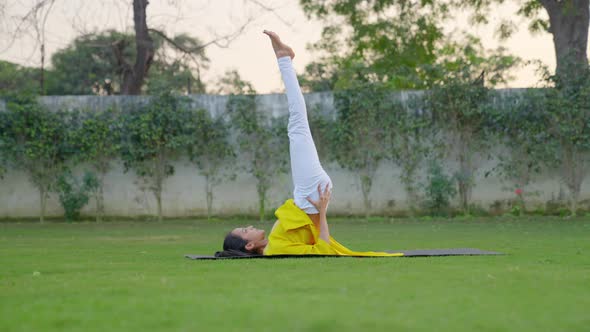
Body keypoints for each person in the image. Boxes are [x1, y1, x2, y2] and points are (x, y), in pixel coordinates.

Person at [215, 31, 401, 258]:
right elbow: (321, 250)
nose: (250, 227)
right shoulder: (275, 248)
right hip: (311, 196)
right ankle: (284, 59)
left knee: (298, 126)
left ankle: (285, 58)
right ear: (249, 246)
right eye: (246, 231)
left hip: (308, 196)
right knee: (297, 124)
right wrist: (322, 211)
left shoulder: (274, 244)